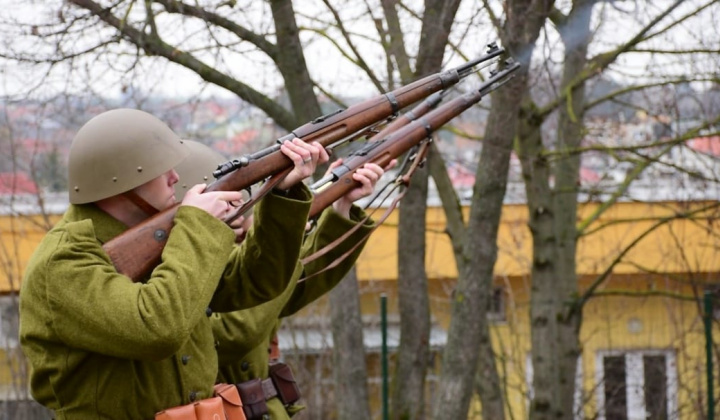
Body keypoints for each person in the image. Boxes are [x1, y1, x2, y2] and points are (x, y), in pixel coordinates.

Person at [18, 108, 328, 419]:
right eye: (160, 169)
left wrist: (282, 193)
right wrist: (198, 225)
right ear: (122, 180)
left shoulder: (159, 241)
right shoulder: (63, 261)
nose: (175, 178)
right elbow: (156, 328)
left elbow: (256, 282)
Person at [172, 141, 390, 419]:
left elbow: (303, 284)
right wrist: (282, 238)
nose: (233, 207)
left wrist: (340, 206)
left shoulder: (239, 257)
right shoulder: (178, 265)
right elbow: (234, 331)